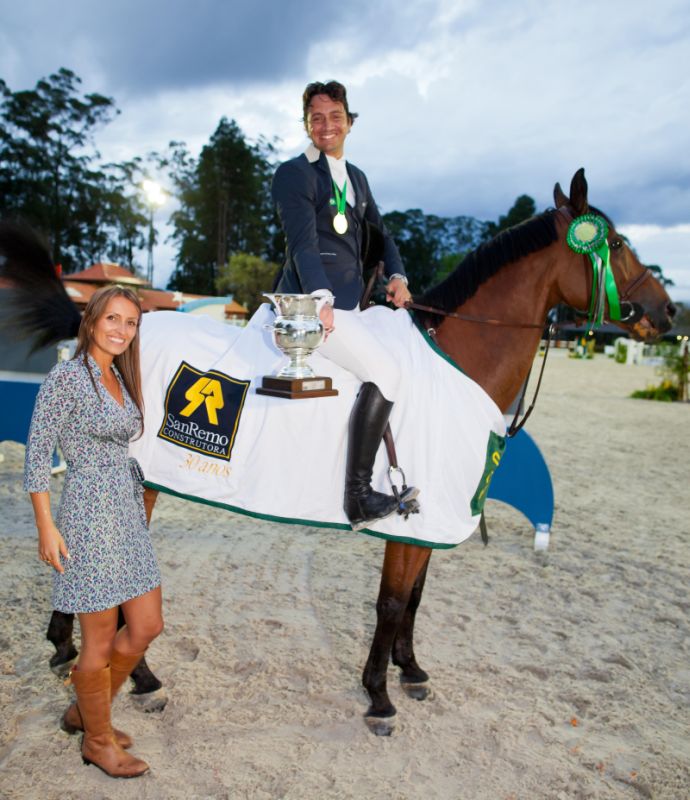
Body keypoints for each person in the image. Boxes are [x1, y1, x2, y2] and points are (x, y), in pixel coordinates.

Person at [24, 285, 163, 779]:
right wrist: (46, 527)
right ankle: (97, 741)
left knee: (146, 624)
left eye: (131, 322)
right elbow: (36, 455)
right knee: (98, 640)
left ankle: (85, 712)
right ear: (91, 320)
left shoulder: (118, 375)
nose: (122, 330)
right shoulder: (66, 376)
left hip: (125, 510)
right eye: (113, 319)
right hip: (88, 513)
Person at [272, 80, 419, 530]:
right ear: (306, 125)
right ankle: (357, 497)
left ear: (349, 123)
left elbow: (381, 235)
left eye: (335, 116)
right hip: (310, 305)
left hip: (354, 303)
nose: (326, 125)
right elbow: (303, 244)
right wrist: (321, 297)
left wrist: (398, 276)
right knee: (386, 372)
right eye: (316, 118)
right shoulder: (294, 174)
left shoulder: (357, 178)